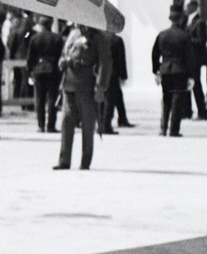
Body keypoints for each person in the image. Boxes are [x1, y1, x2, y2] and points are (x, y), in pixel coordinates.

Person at [54, 23, 111, 170]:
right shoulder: (74, 34)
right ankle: (64, 160)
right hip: (69, 83)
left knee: (87, 125)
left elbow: (105, 64)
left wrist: (101, 88)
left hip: (87, 85)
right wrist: (63, 61)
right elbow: (65, 53)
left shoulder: (98, 37)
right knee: (67, 121)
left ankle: (85, 161)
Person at [151, 6, 195, 137]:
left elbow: (154, 54)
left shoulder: (162, 34)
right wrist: (192, 76)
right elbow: (190, 57)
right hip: (179, 70)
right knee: (177, 100)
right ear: (181, 19)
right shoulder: (184, 36)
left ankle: (163, 128)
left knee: (166, 99)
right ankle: (174, 129)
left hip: (165, 69)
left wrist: (156, 70)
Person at [27, 16, 64, 133]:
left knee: (39, 99)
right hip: (53, 70)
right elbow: (61, 55)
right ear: (50, 24)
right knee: (52, 98)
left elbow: (30, 56)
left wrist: (30, 71)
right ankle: (51, 125)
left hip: (39, 70)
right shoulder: (58, 38)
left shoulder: (34, 38)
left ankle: (41, 125)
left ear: (41, 25)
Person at [100, 29, 131, 133]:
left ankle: (103, 123)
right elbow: (121, 59)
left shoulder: (99, 38)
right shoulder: (117, 40)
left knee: (103, 99)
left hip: (100, 72)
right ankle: (106, 126)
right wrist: (123, 75)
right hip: (112, 73)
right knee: (110, 100)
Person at [184, 0, 207, 120]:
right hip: (188, 58)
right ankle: (187, 110)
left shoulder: (199, 22)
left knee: (196, 85)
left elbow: (201, 40)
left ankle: (202, 112)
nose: (186, 8)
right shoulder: (187, 20)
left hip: (195, 58)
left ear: (193, 6)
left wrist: (187, 41)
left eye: (187, 5)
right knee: (187, 84)